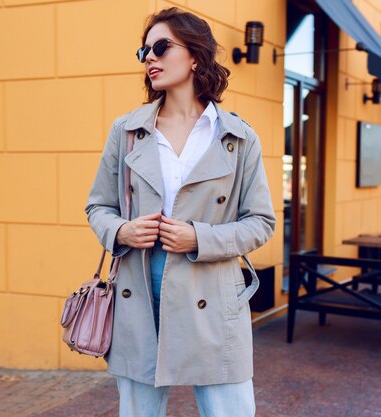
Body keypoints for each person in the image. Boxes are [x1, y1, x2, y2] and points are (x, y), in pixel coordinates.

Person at [85, 7, 275, 417]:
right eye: (144, 51)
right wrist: (122, 231)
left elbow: (261, 222)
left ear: (195, 55)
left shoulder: (238, 138)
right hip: (139, 288)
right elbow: (98, 206)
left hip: (212, 291)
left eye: (161, 46)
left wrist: (199, 238)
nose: (149, 58)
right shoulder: (128, 131)